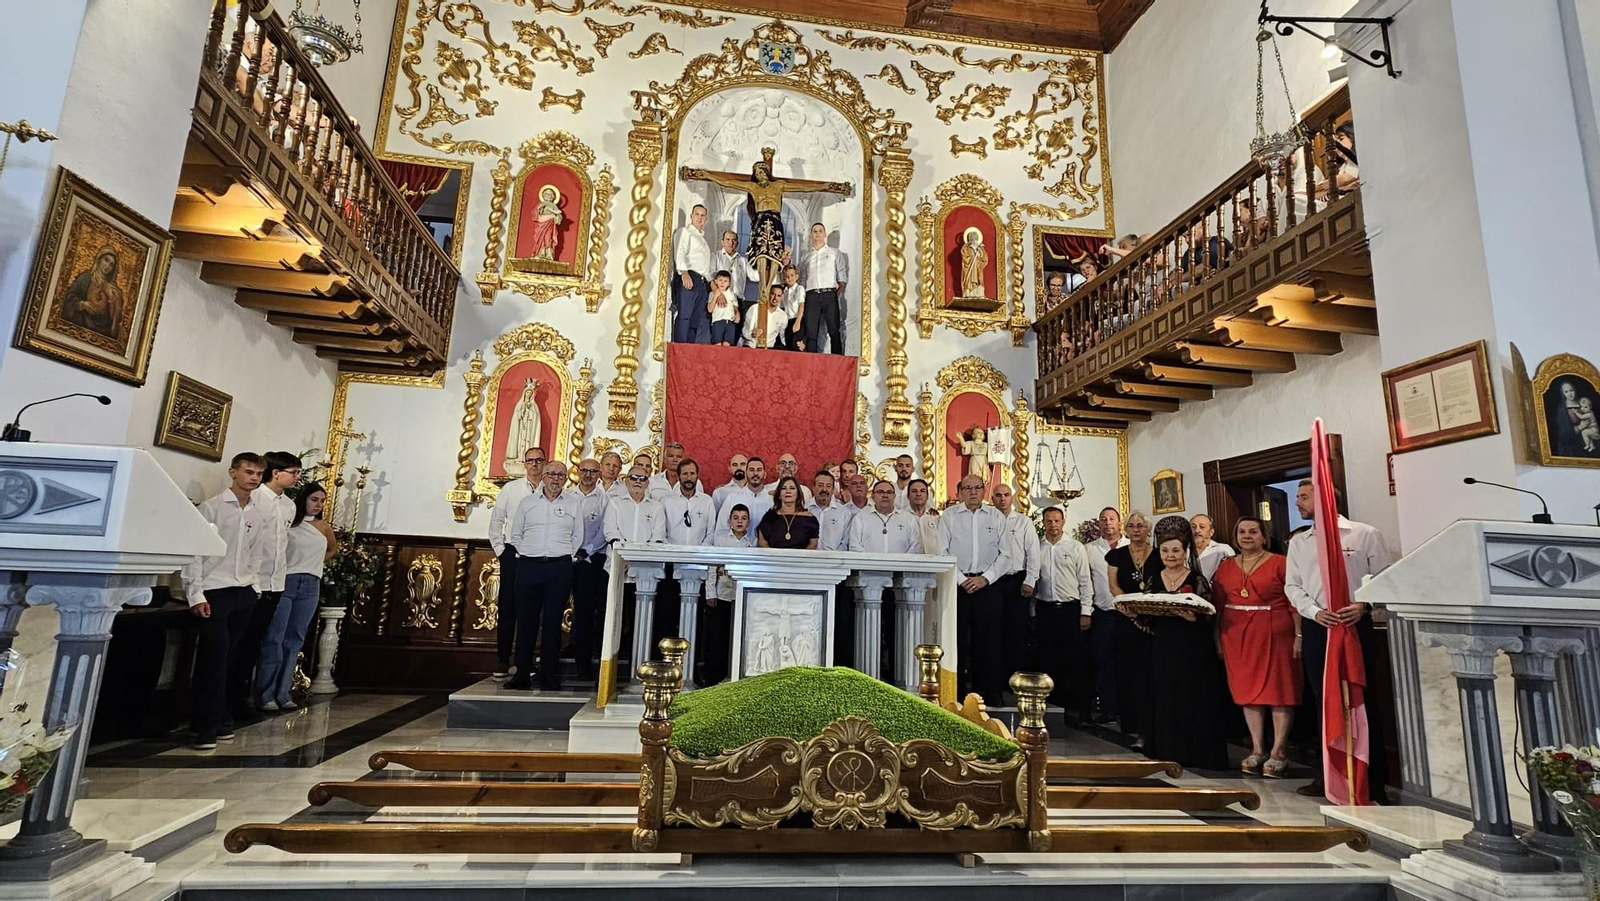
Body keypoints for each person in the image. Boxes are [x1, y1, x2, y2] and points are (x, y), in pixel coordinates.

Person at [1284, 479, 1393, 801]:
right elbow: (1293, 585)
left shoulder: (1364, 534)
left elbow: (1385, 579)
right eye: (1297, 497)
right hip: (1320, 625)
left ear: (1327, 499)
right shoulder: (1301, 542)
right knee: (1324, 699)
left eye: (1304, 497)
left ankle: (1372, 781)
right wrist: (1314, 612)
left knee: (1362, 699)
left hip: (1355, 626)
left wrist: (1364, 606)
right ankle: (1328, 776)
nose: (1297, 503)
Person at [183, 453, 271, 750]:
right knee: (214, 658)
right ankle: (207, 724)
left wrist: (255, 586)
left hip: (243, 591)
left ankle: (218, 718)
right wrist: (195, 594)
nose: (254, 477)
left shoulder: (259, 512)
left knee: (230, 658)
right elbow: (194, 553)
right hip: (214, 590)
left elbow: (256, 553)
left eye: (259, 473)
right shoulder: (212, 508)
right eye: (249, 472)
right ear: (233, 472)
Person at [1214, 516, 1302, 778]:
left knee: (1279, 690)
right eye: (1241, 531)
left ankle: (1279, 751)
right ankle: (1257, 748)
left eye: (1253, 531)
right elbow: (1218, 606)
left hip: (1275, 632)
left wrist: (1300, 635)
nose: (1247, 536)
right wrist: (1217, 637)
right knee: (1247, 691)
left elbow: (1294, 602)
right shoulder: (1226, 566)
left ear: (1264, 536)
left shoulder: (1281, 564)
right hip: (1236, 634)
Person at [1142, 516, 1229, 770]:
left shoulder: (1197, 580)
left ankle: (1195, 749)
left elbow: (1207, 614)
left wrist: (1190, 616)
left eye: (1176, 551)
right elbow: (1148, 610)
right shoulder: (1155, 578)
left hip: (1192, 648)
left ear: (1185, 552)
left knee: (1192, 695)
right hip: (1164, 646)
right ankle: (1168, 747)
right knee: (1166, 694)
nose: (1170, 555)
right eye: (1166, 550)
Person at [255, 482, 336, 712]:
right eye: (313, 499)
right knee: (275, 637)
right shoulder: (290, 521)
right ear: (303, 500)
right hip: (286, 580)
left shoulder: (323, 527)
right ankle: (265, 693)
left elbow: (332, 549)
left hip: (310, 583)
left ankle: (283, 693)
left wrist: (315, 564)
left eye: (321, 501)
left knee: (295, 639)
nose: (318, 505)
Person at [234, 450, 299, 721]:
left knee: (257, 642)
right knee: (241, 643)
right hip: (252, 581)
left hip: (276, 582)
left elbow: (280, 544)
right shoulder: (255, 499)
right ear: (277, 473)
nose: (297, 477)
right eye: (293, 472)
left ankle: (246, 698)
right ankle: (234, 699)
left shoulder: (289, 506)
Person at [507, 461, 583, 691]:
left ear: (565, 479)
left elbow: (577, 535)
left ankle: (549, 674)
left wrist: (564, 555)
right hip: (529, 566)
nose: (555, 479)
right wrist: (529, 553)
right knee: (526, 621)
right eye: (551, 474)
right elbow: (515, 534)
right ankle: (522, 673)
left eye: (561, 475)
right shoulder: (527, 503)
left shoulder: (573, 503)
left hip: (559, 568)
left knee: (553, 623)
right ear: (543, 476)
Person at [938, 475, 1013, 706]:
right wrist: (962, 579)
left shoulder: (996, 517)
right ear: (959, 492)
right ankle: (956, 692)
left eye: (977, 488)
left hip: (987, 585)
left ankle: (989, 691)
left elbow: (1006, 555)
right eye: (967, 488)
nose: (973, 492)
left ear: (984, 491)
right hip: (957, 584)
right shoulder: (950, 516)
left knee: (989, 639)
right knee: (957, 638)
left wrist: (985, 579)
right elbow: (942, 551)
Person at [602, 464, 665, 677]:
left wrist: (638, 559)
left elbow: (658, 536)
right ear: (627, 481)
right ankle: (611, 670)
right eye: (634, 478)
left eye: (643, 478)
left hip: (645, 574)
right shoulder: (615, 504)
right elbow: (610, 531)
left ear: (648, 483)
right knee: (616, 618)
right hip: (618, 570)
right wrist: (625, 556)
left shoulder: (656, 507)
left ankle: (640, 665)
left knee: (643, 620)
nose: (638, 481)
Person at [1034, 507, 1095, 722]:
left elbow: (1085, 581)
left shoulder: (1075, 547)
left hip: (1070, 609)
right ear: (1043, 522)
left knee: (1077, 662)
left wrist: (1086, 612)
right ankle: (1053, 712)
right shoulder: (1037, 548)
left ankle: (1084, 713)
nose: (1053, 525)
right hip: (1045, 610)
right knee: (1048, 661)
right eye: (1049, 521)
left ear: (1063, 522)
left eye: (1056, 520)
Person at [489, 446, 545, 680]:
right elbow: (496, 522)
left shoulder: (550, 489)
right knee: (508, 606)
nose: (534, 464)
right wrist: (502, 551)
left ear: (544, 463)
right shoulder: (511, 490)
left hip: (538, 555)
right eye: (530, 460)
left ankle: (528, 658)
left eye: (539, 460)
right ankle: (503, 657)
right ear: (524, 464)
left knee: (532, 609)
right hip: (513, 554)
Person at [1105, 511, 1158, 748]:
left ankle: (1151, 727)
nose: (1136, 530)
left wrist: (1145, 611)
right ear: (1126, 529)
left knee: (1149, 676)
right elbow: (1113, 585)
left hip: (1152, 621)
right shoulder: (1116, 555)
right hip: (1125, 619)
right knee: (1128, 674)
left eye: (1141, 526)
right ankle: (1133, 726)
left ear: (1148, 529)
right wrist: (1129, 608)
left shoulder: (1158, 555)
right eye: (1132, 526)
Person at [1086, 507, 1129, 724]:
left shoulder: (1131, 546)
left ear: (1119, 522)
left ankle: (1129, 708)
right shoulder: (1089, 549)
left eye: (1112, 519)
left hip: (1128, 614)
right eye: (1103, 519)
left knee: (1127, 661)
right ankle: (1109, 708)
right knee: (1103, 662)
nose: (1107, 523)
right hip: (1102, 613)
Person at [703, 504, 754, 685]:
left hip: (742, 595)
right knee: (718, 636)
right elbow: (712, 567)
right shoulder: (721, 539)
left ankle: (736, 676)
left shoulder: (752, 542)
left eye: (743, 518)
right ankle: (713, 677)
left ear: (749, 522)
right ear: (729, 521)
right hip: (722, 593)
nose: (739, 521)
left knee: (738, 636)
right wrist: (710, 592)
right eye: (736, 518)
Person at [991, 484, 1040, 674]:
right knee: (994, 629)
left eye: (1006, 495)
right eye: (998, 495)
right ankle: (996, 675)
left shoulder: (1023, 522)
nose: (1002, 499)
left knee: (1017, 629)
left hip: (1016, 580)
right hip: (993, 580)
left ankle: (1016, 676)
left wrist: (1030, 580)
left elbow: (1033, 552)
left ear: (1012, 498)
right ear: (992, 498)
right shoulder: (988, 521)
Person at [569, 458, 611, 682]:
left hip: (589, 562)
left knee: (585, 613)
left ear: (599, 474)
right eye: (584, 470)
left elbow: (605, 531)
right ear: (577, 472)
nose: (588, 475)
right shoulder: (566, 496)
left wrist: (586, 551)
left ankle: (583, 665)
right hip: (564, 559)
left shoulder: (605, 500)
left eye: (593, 471)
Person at [799, 222, 848, 354]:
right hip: (812, 295)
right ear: (811, 235)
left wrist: (836, 293)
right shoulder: (806, 257)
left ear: (824, 234)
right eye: (815, 231)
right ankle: (811, 363)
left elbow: (842, 275)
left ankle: (837, 361)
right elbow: (802, 279)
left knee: (834, 330)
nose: (818, 233)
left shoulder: (834, 253)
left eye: (820, 231)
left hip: (829, 295)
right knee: (811, 332)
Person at [671, 203, 712, 343]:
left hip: (701, 282)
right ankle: (680, 346)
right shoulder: (685, 232)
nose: (700, 218)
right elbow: (680, 250)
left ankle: (688, 347)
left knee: (695, 320)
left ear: (706, 218)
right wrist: (683, 272)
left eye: (703, 215)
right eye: (697, 214)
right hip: (689, 276)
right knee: (685, 316)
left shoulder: (703, 239)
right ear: (691, 216)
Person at [847, 480, 921, 554]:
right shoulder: (860, 518)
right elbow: (854, 546)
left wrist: (901, 563)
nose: (885, 495)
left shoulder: (909, 519)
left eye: (889, 492)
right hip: (869, 564)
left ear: (894, 496)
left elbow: (916, 546)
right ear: (872, 496)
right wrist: (871, 562)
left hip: (901, 565)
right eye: (880, 492)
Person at [756, 476, 818, 550]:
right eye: (784, 488)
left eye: (792, 488)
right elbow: (763, 543)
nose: (788, 491)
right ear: (779, 494)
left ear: (798, 493)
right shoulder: (770, 517)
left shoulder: (809, 518)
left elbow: (813, 544)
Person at [716, 456, 771, 536]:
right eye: (751, 470)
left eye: (759, 470)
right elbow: (721, 531)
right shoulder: (732, 499)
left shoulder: (772, 501)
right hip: (738, 547)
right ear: (746, 473)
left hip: (766, 548)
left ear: (765, 474)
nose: (755, 473)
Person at [712, 229, 760, 319]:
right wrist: (718, 296)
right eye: (728, 239)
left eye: (734, 240)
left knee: (737, 330)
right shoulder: (715, 257)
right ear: (722, 242)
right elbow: (711, 278)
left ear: (737, 243)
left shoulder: (743, 261)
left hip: (738, 301)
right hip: (722, 299)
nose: (731, 242)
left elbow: (756, 276)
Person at [809, 470, 853, 552]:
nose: (824, 489)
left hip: (834, 561)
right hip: (806, 559)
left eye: (828, 486)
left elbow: (845, 542)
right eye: (820, 485)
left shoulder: (844, 512)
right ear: (813, 487)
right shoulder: (804, 509)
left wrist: (835, 558)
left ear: (833, 489)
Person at [743, 284, 790, 349]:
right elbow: (745, 330)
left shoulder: (783, 316)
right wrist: (752, 333)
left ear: (781, 297)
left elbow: (783, 337)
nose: (775, 298)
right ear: (768, 294)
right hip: (751, 347)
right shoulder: (755, 308)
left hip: (768, 349)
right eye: (773, 294)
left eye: (779, 296)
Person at [1192, 513, 1236, 580]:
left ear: (1211, 532)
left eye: (1202, 527)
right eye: (1193, 527)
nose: (1197, 530)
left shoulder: (1223, 550)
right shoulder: (1183, 550)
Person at [706, 270, 741, 347]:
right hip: (717, 321)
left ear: (729, 283)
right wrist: (716, 296)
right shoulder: (712, 294)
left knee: (727, 345)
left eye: (725, 281)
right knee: (717, 344)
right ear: (716, 281)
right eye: (720, 280)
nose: (722, 283)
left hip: (730, 323)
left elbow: (735, 307)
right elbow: (709, 309)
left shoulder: (732, 294)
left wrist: (737, 314)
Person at [906, 479, 941, 554]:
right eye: (914, 491)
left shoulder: (936, 518)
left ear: (927, 496)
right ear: (908, 496)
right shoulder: (902, 517)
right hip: (909, 563)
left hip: (933, 562)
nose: (918, 494)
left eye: (922, 491)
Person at [711, 453, 749, 517]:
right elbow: (714, 518)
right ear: (729, 468)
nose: (739, 468)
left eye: (743, 464)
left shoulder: (756, 491)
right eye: (735, 465)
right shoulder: (719, 493)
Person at [780, 264, 806, 351]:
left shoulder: (799, 288)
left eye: (792, 275)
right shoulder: (784, 291)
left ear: (797, 276)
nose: (789, 278)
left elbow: (801, 305)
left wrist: (798, 322)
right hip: (787, 321)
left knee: (797, 346)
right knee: (788, 345)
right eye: (787, 276)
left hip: (797, 319)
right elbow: (783, 307)